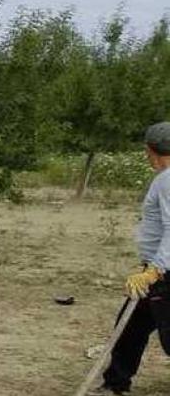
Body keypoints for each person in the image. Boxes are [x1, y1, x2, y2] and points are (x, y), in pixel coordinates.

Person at [96, 122, 170, 394]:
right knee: (131, 327)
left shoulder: (167, 180)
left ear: (149, 150)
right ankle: (115, 382)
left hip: (162, 273)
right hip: (156, 270)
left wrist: (155, 270)